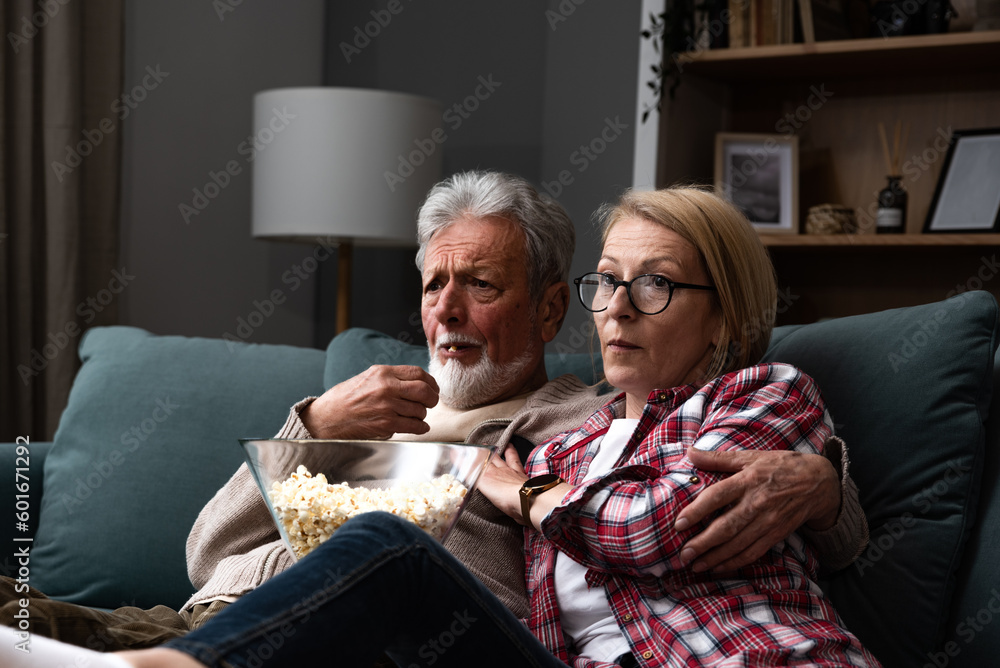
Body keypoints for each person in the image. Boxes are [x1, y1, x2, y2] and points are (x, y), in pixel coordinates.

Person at [3, 184, 877, 668]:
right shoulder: (570, 446)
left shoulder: (556, 430)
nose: (446, 312)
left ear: (546, 312)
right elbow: (205, 555)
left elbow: (650, 523)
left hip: (345, 645)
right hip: (205, 616)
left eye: (480, 287)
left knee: (383, 543)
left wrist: (824, 486)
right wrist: (314, 428)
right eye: (432, 287)